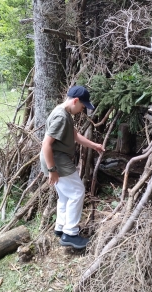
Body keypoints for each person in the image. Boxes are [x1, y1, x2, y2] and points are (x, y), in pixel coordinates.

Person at [40, 86, 105, 249]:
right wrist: (52, 170)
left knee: (65, 195)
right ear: (75, 101)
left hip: (55, 160)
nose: (82, 110)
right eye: (83, 107)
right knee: (77, 192)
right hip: (56, 161)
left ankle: (61, 227)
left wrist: (94, 145)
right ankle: (70, 234)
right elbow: (46, 145)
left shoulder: (63, 112)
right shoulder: (62, 117)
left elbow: (74, 135)